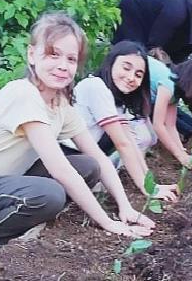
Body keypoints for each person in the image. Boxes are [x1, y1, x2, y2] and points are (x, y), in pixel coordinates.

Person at [0, 13, 153, 263]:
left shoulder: (60, 103)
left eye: (71, 59)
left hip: (1, 183)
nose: (62, 65)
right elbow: (60, 169)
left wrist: (125, 207)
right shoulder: (24, 94)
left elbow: (97, 156)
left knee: (87, 166)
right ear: (31, 55)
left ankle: (19, 217)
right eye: (53, 54)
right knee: (48, 195)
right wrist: (108, 223)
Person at [71, 41, 177, 201]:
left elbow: (131, 143)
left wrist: (151, 185)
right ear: (111, 63)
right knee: (95, 167)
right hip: (66, 154)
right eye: (126, 68)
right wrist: (147, 189)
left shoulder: (115, 100)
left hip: (81, 156)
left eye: (138, 75)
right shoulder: (96, 87)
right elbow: (123, 144)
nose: (131, 77)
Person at [147, 56, 192, 169]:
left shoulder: (175, 90)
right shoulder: (167, 84)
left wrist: (184, 155)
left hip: (134, 100)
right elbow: (158, 125)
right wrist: (181, 156)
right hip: (120, 92)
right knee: (146, 137)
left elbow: (170, 126)